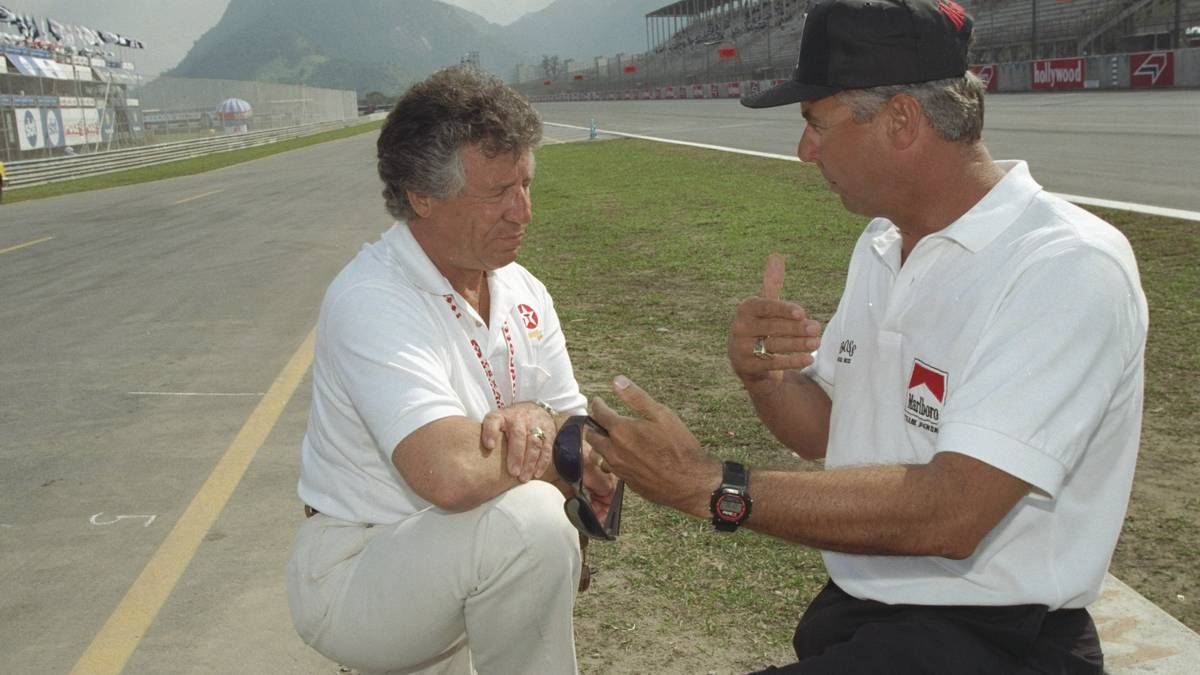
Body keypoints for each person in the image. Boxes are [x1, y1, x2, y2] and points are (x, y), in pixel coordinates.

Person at [587, 0, 1147, 672]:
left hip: (995, 642)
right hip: (868, 618)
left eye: (815, 124)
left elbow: (953, 511)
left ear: (901, 120)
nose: (803, 152)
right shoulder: (884, 242)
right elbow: (828, 429)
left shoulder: (1064, 266)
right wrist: (767, 379)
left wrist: (707, 483)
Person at [285, 66, 616, 675]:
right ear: (421, 195)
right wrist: (552, 436)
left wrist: (543, 428)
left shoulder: (523, 290)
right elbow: (451, 473)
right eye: (498, 193)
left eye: (525, 183)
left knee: (526, 527)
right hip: (361, 565)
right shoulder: (373, 296)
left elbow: (590, 452)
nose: (524, 212)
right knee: (536, 524)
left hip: (462, 551)